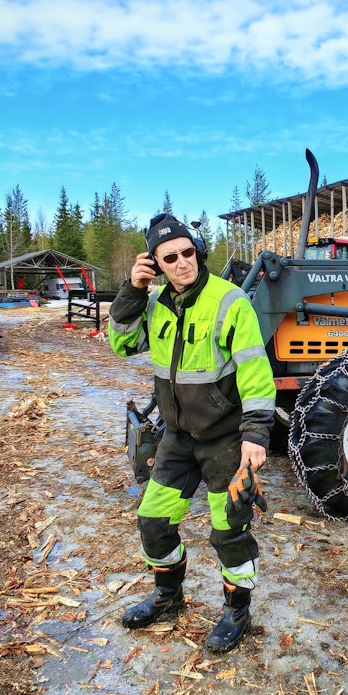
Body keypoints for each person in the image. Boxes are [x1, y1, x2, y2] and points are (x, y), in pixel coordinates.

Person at [107, 213, 275, 652]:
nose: (182, 263)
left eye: (187, 253)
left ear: (197, 251)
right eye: (169, 258)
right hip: (178, 438)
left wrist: (256, 434)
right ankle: (168, 596)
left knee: (229, 532)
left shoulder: (230, 301)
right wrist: (132, 290)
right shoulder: (157, 302)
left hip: (225, 441)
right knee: (153, 522)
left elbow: (256, 372)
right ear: (156, 264)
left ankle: (237, 610)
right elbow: (121, 343)